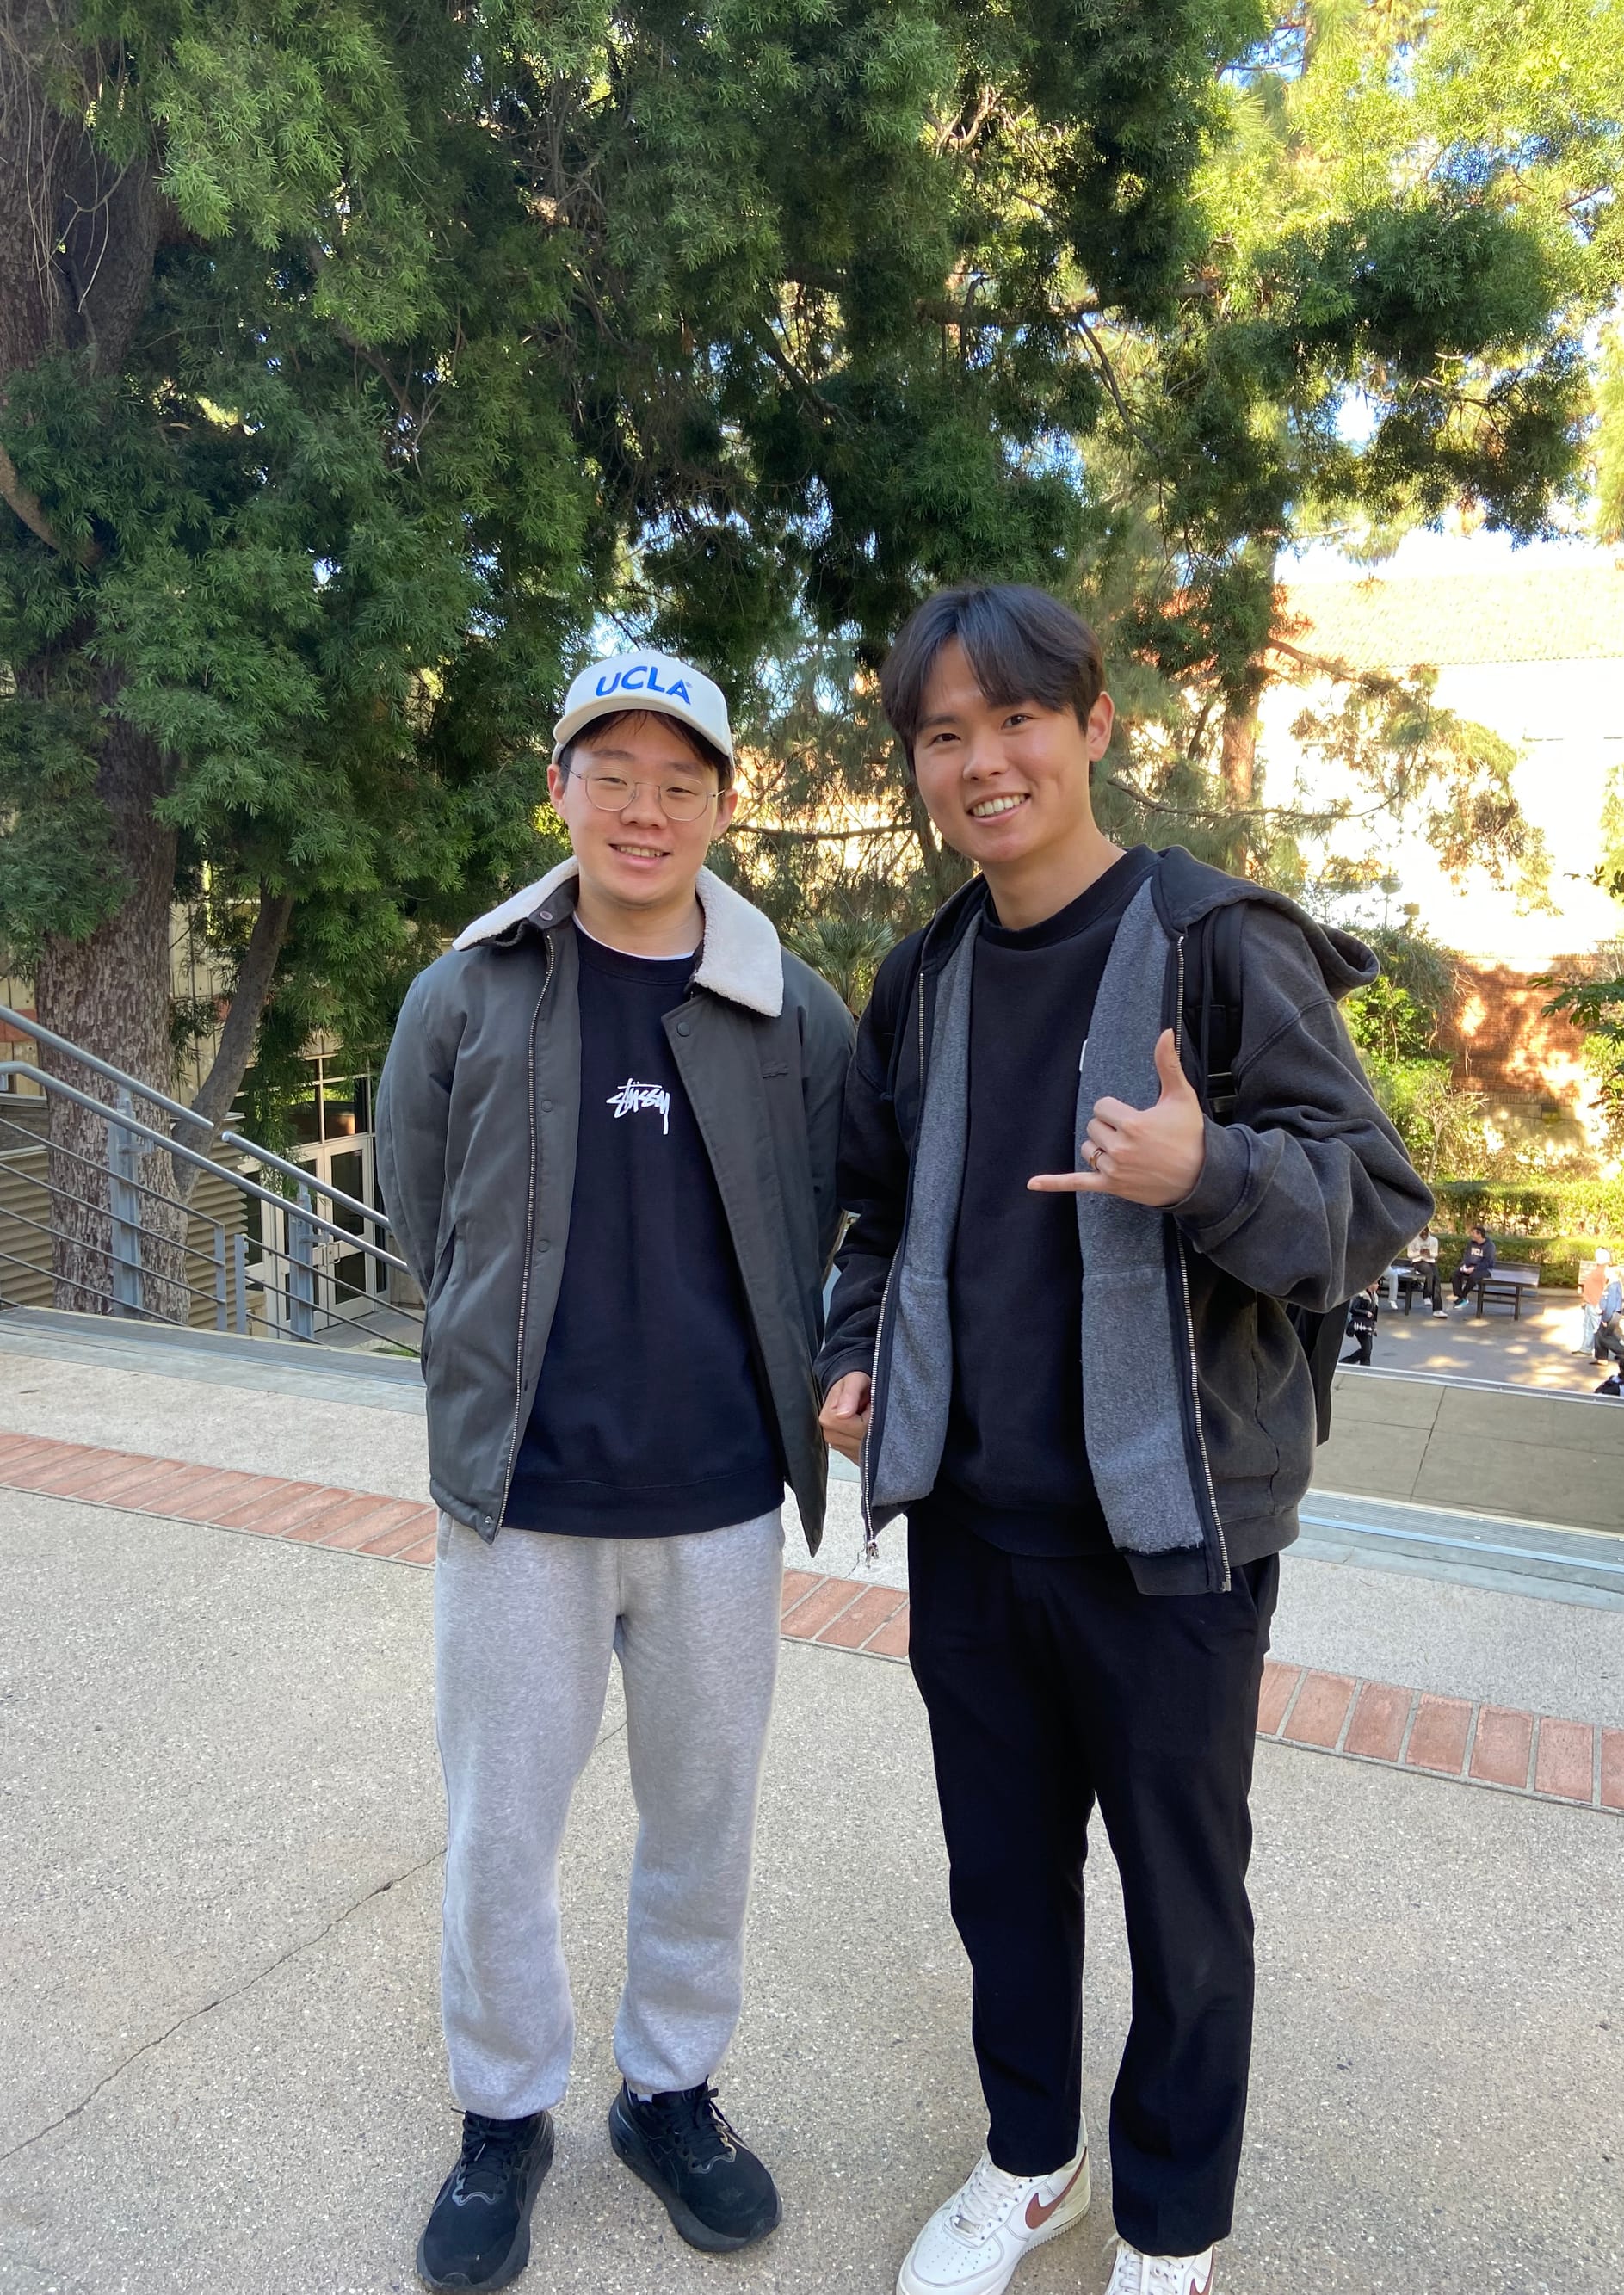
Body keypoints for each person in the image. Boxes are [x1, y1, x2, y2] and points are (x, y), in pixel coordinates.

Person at [816, 585, 1432, 2295]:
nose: (983, 761)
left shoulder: (1213, 943)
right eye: (945, 732)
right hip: (971, 1527)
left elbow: (1375, 1196)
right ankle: (1032, 2162)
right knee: (1003, 1882)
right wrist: (857, 1359)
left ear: (1094, 724)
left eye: (1016, 718)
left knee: (1183, 1902)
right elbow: (874, 1216)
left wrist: (1206, 1169)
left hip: (1172, 1543)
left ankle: (1168, 2224)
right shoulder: (925, 976)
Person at [378, 650, 853, 2291]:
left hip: (719, 1500)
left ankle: (669, 2092)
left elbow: (843, 1200)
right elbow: (421, 1209)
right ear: (560, 789)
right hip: (524, 1500)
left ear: (722, 805)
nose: (644, 810)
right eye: (613, 775)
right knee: (499, 1827)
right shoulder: (469, 991)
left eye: (680, 782)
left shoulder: (793, 1007)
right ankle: (503, 2111)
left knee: (702, 1815)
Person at [1449, 1224, 1496, 1312]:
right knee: (1456, 1274)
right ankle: (1459, 1297)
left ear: (1479, 1235)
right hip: (1470, 1266)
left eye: (1474, 1233)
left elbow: (1487, 1262)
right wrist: (1464, 1266)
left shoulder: (1490, 1246)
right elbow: (1467, 1257)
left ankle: (1463, 1296)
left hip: (1484, 1269)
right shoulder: (1471, 1243)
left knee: (1473, 1277)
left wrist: (1474, 1268)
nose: (1472, 1235)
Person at [1576, 1245, 1614, 1354]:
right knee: (1588, 1326)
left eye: (1598, 1255)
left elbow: (1606, 1288)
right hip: (1590, 1302)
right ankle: (1586, 1348)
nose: (1596, 1257)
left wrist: (1601, 1304)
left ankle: (1622, 1350)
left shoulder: (1606, 1270)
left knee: (1600, 1330)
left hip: (1596, 1303)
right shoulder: (1600, 1268)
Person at [1405, 1224, 1445, 1317]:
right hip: (1418, 1262)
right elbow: (1409, 1255)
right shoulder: (1413, 1240)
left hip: (1430, 1261)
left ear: (1428, 1233)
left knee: (1437, 1281)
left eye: (1425, 1235)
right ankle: (1427, 1295)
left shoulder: (1434, 1240)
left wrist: (1430, 1254)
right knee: (1429, 1272)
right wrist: (1419, 1253)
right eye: (1422, 1235)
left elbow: (1435, 1254)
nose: (1424, 1237)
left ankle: (1438, 1309)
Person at [1342, 1280, 1380, 1366]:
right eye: (1376, 1283)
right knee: (1367, 1349)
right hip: (1360, 1325)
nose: (1378, 1285)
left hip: (1369, 1325)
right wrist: (1365, 1313)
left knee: (1368, 1349)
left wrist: (1374, 1325)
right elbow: (1353, 1309)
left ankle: (1365, 1366)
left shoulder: (1375, 1297)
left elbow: (1375, 1313)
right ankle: (1346, 1361)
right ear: (1370, 1285)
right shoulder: (1361, 1296)